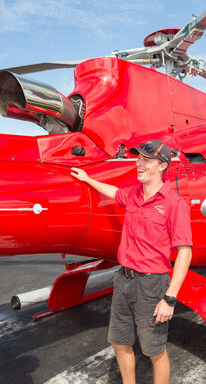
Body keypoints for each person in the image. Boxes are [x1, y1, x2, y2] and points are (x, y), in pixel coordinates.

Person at [71, 140, 192, 384]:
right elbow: (113, 192)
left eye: (146, 160)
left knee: (154, 350)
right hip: (123, 279)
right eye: (138, 158)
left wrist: (169, 298)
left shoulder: (173, 203)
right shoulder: (134, 194)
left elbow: (185, 252)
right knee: (119, 341)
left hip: (152, 285)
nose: (139, 163)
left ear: (162, 166)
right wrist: (87, 179)